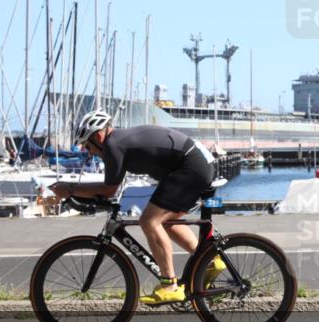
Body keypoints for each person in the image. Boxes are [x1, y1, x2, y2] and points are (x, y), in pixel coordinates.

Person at [50, 110, 224, 305]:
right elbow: (114, 187)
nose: (88, 152)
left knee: (150, 220)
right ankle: (209, 260)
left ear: (98, 136)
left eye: (88, 146)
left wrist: (70, 189)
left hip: (190, 166)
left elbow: (108, 189)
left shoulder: (113, 145)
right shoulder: (119, 142)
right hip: (194, 163)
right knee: (164, 221)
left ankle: (169, 286)